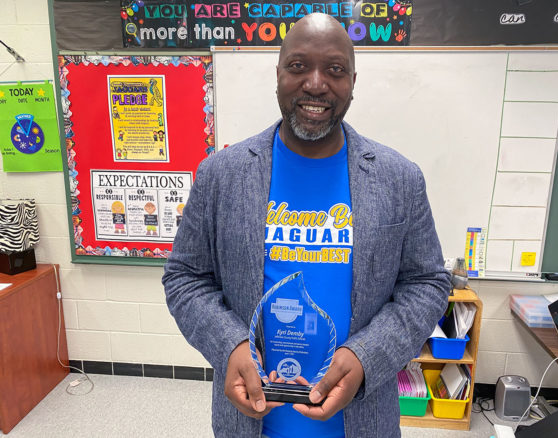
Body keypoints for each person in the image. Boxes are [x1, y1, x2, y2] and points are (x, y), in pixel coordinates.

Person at [162, 13, 450, 438]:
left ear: (353, 81)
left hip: (362, 421)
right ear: (278, 75)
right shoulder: (221, 175)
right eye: (298, 66)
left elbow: (427, 283)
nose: (315, 84)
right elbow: (185, 277)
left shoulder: (398, 179)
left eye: (334, 70)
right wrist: (231, 346)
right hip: (250, 421)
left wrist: (366, 357)